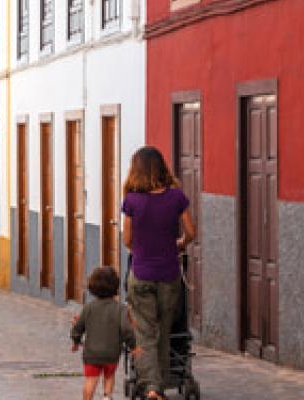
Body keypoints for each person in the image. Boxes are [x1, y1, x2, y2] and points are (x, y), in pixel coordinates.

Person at [122, 146, 196, 400]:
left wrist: (143, 248)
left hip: (141, 273)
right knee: (163, 331)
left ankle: (152, 387)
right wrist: (180, 244)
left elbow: (127, 240)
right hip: (169, 275)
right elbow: (191, 232)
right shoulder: (176, 197)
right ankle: (159, 384)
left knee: (145, 333)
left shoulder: (132, 200)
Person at [71, 266, 136, 400]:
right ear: (115, 287)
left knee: (91, 380)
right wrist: (133, 346)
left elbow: (78, 327)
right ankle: (107, 397)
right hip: (112, 353)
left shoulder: (88, 308)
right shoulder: (120, 309)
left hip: (92, 353)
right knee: (109, 376)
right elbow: (127, 329)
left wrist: (76, 341)